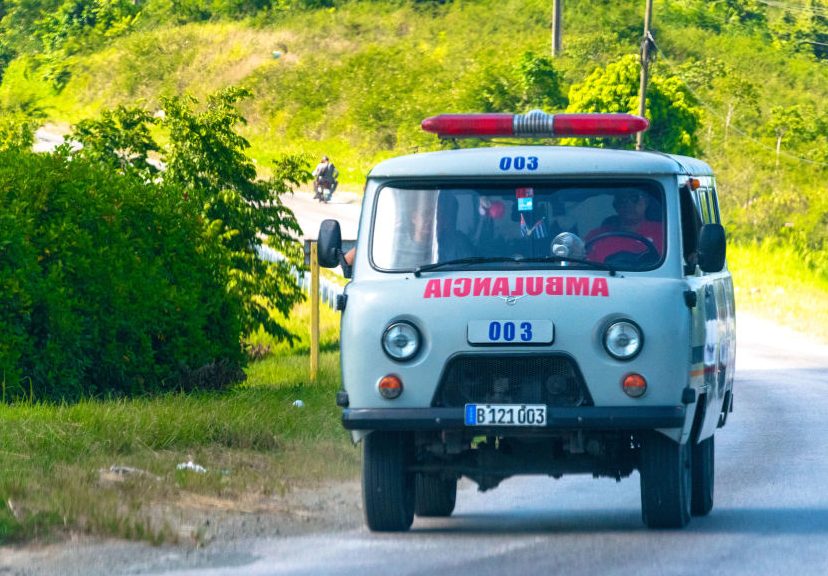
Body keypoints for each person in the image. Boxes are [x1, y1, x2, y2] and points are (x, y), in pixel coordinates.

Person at [585, 189, 664, 264]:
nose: (628, 204)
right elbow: (582, 264)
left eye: (634, 198)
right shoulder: (596, 235)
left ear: (646, 202)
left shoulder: (664, 232)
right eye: (621, 199)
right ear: (615, 206)